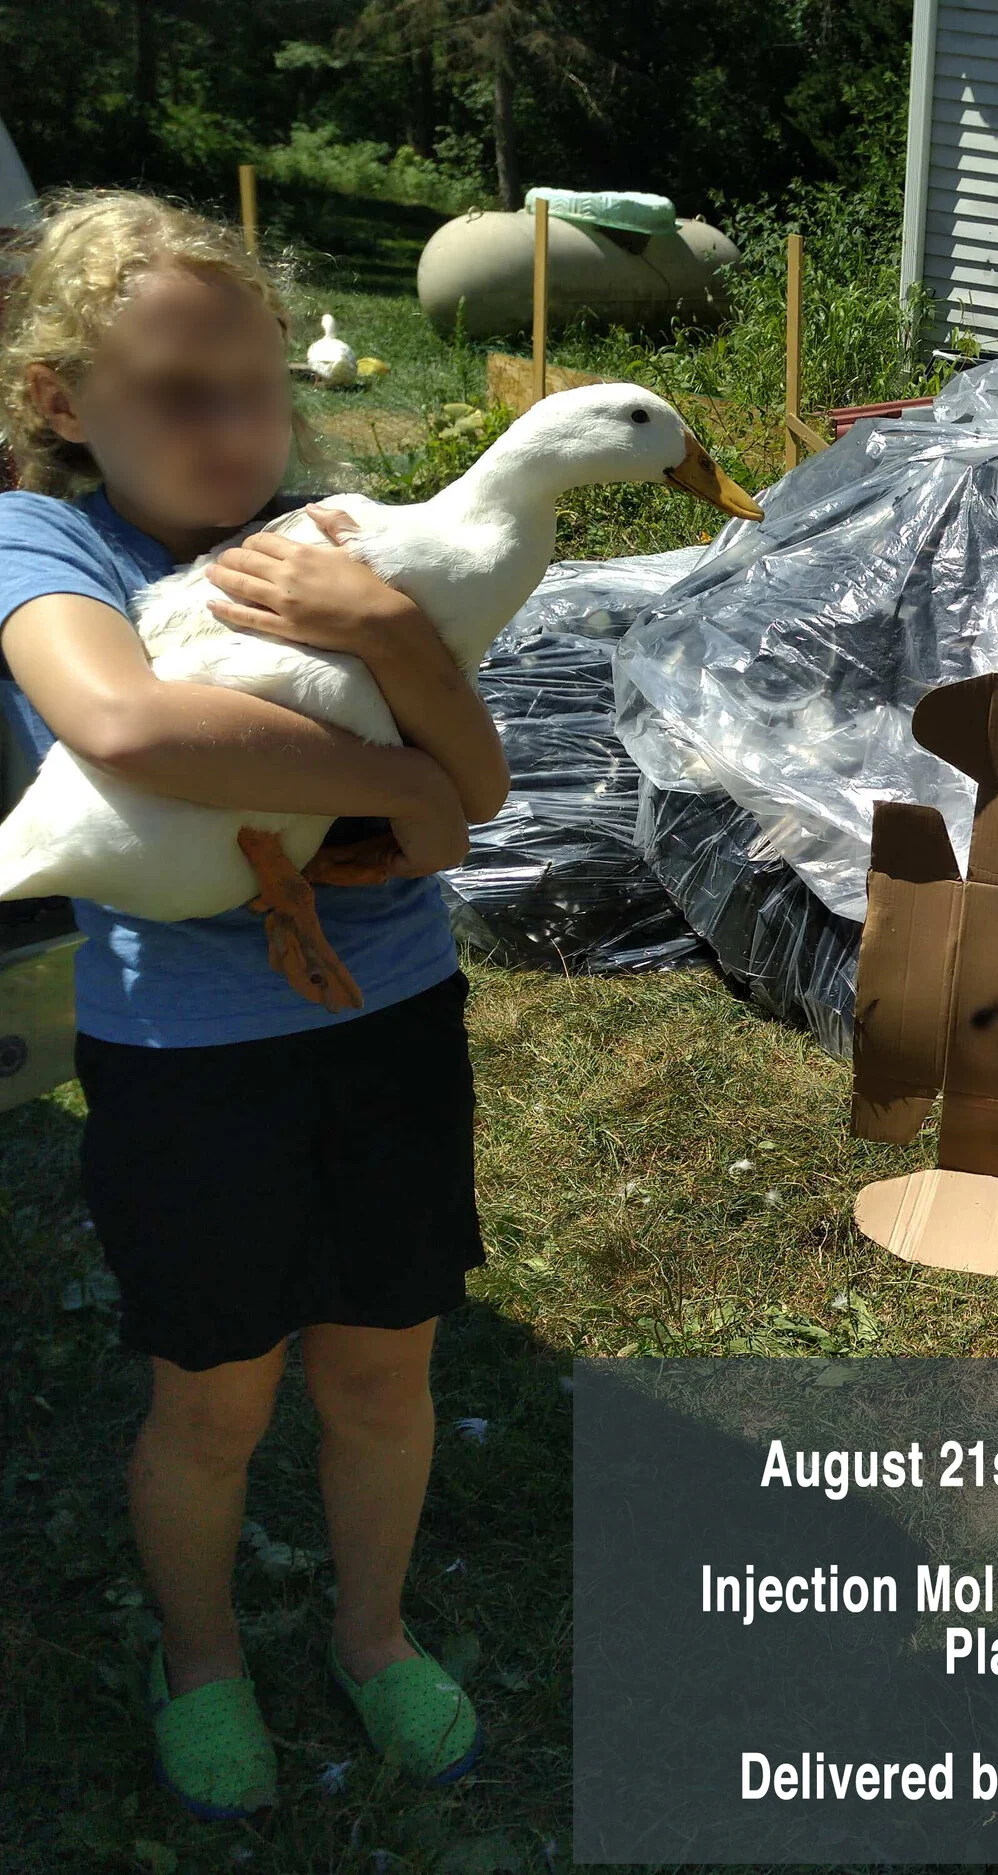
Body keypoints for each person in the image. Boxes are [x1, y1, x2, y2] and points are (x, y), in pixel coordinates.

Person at [0, 192, 496, 1817]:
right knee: (212, 1395)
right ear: (64, 400)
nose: (232, 430)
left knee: (381, 1367)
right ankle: (201, 1656)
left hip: (391, 1017)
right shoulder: (45, 544)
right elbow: (132, 730)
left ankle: (369, 1630)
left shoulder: (339, 544)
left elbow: (477, 795)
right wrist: (393, 778)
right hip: (187, 1056)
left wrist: (381, 644)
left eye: (257, 386)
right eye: (176, 395)